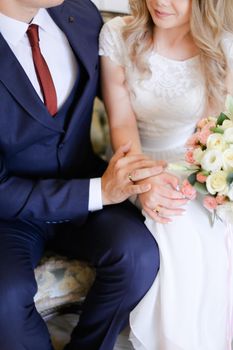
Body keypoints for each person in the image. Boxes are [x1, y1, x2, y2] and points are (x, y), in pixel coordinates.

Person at [0, 0, 188, 349]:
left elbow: (127, 107)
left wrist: (142, 177)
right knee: (5, 298)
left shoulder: (80, 13)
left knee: (138, 255)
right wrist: (101, 191)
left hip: (81, 180)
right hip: (9, 212)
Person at [99, 0, 233, 349]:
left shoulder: (222, 46)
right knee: (170, 220)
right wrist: (144, 181)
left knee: (210, 223)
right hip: (137, 164)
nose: (160, 1)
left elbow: (220, 132)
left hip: (197, 167)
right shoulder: (117, 36)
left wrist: (212, 178)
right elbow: (122, 123)